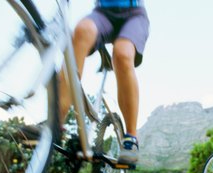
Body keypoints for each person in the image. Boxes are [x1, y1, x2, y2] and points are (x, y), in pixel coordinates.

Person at [59, 0, 150, 164]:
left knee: (122, 54)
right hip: (102, 13)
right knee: (81, 31)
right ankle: (55, 122)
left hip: (134, 14)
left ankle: (131, 138)